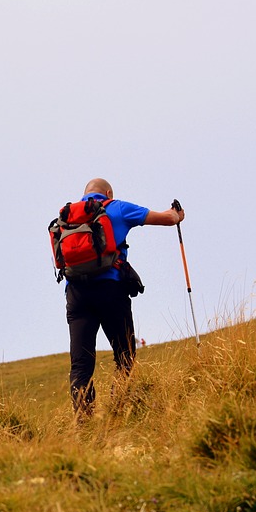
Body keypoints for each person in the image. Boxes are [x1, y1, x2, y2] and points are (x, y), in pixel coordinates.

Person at [62, 177, 184, 419]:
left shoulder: (68, 216)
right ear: (107, 192)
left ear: (85, 194)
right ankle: (119, 413)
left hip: (76, 294)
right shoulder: (116, 207)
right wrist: (177, 214)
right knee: (125, 356)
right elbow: (167, 219)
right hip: (111, 289)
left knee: (81, 366)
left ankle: (84, 422)